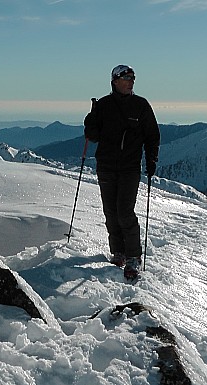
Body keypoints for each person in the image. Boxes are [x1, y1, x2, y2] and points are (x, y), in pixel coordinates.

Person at [83, 64, 160, 279]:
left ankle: (133, 256)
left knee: (124, 211)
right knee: (111, 212)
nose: (131, 82)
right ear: (115, 81)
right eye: (126, 78)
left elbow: (152, 135)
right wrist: (89, 123)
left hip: (129, 168)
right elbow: (94, 135)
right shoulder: (104, 105)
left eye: (132, 78)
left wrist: (151, 159)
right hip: (106, 166)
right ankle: (118, 252)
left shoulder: (141, 106)